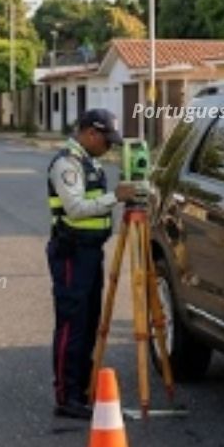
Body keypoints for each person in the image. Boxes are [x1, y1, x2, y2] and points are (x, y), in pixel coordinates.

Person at [46, 108, 136, 419]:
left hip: (89, 251)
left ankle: (83, 388)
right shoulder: (67, 164)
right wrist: (116, 197)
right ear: (90, 133)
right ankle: (66, 395)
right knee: (72, 324)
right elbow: (75, 208)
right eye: (106, 140)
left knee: (89, 322)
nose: (109, 147)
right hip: (71, 252)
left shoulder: (90, 161)